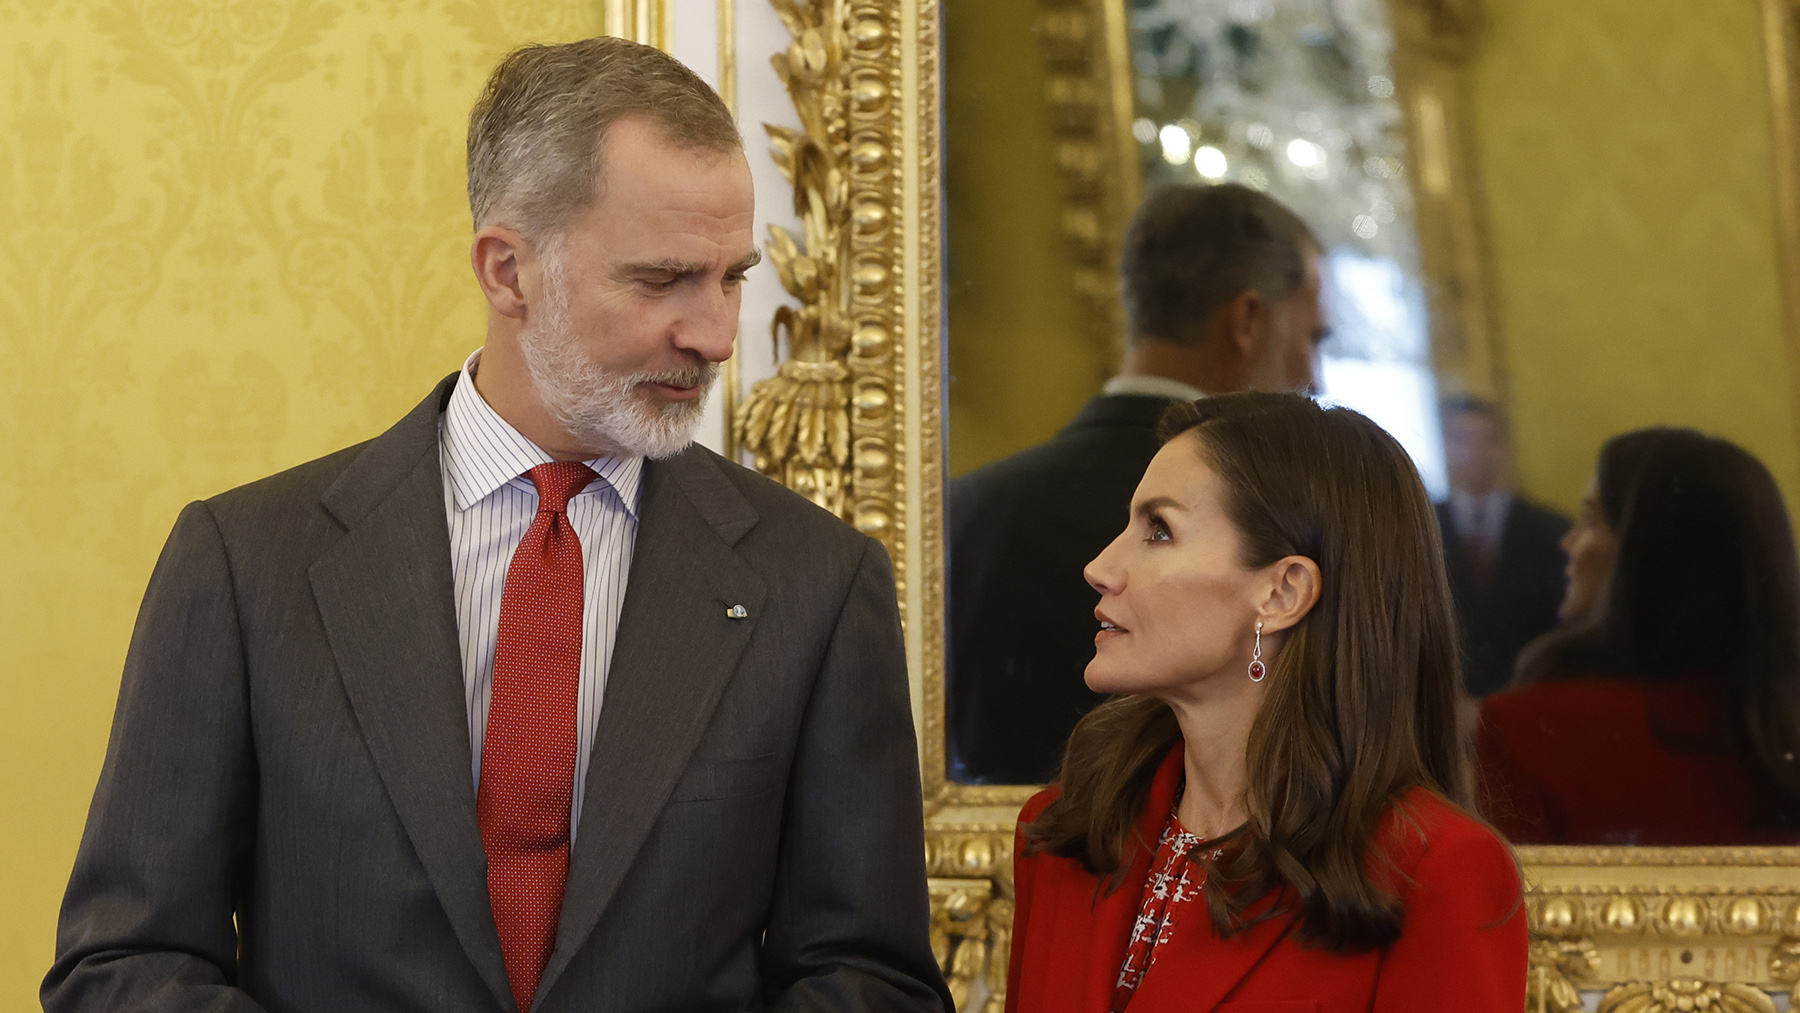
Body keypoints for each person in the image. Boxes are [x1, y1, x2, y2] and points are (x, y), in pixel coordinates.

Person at [44, 38, 950, 1013]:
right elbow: (123, 966)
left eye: (731, 277)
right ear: (509, 271)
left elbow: (872, 980)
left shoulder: (814, 580)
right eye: (663, 280)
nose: (716, 334)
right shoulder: (246, 562)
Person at [1007, 394, 1525, 1012]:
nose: (1100, 566)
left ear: (1283, 592)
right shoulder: (1065, 829)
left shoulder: (1435, 873)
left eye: (1159, 530)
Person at [948, 183, 1328, 785]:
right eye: (1312, 338)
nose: (1314, 374)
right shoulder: (1274, 513)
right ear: (1248, 319)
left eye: (1157, 530)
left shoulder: (961, 503)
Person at [1477, 428, 1800, 845]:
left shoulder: (1533, 727)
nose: (1568, 542)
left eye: (1591, 518)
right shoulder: (1780, 723)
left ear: (1646, 554)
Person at [1434, 396, 1569, 697]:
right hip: (1443, 706)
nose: (1475, 453)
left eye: (1488, 440)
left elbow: (1563, 632)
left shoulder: (1553, 532)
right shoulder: (1418, 528)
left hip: (1532, 703)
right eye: (1461, 439)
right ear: (1444, 446)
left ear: (1505, 448)